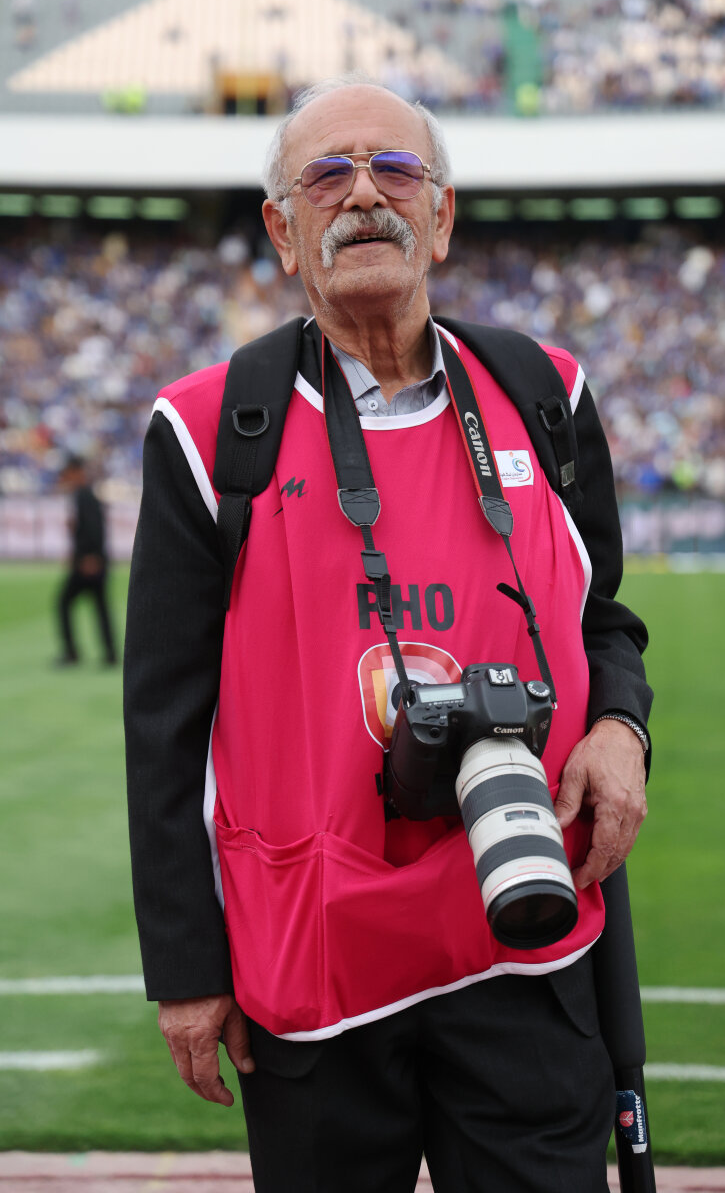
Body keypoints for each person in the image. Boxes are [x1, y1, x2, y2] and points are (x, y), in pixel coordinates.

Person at [124, 75, 652, 1193]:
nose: (363, 195)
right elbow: (163, 723)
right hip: (314, 952)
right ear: (283, 233)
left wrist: (620, 726)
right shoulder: (208, 431)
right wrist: (185, 965)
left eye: (395, 170)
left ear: (441, 216)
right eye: (326, 177)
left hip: (522, 917)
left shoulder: (545, 392)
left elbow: (602, 615)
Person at [55, 455, 117, 666]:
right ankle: (110, 653)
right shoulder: (85, 494)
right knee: (100, 607)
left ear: (76, 472)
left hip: (89, 562)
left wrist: (90, 556)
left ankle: (72, 652)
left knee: (64, 602)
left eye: (68, 473)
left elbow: (95, 529)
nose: (66, 477)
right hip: (94, 559)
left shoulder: (84, 495)